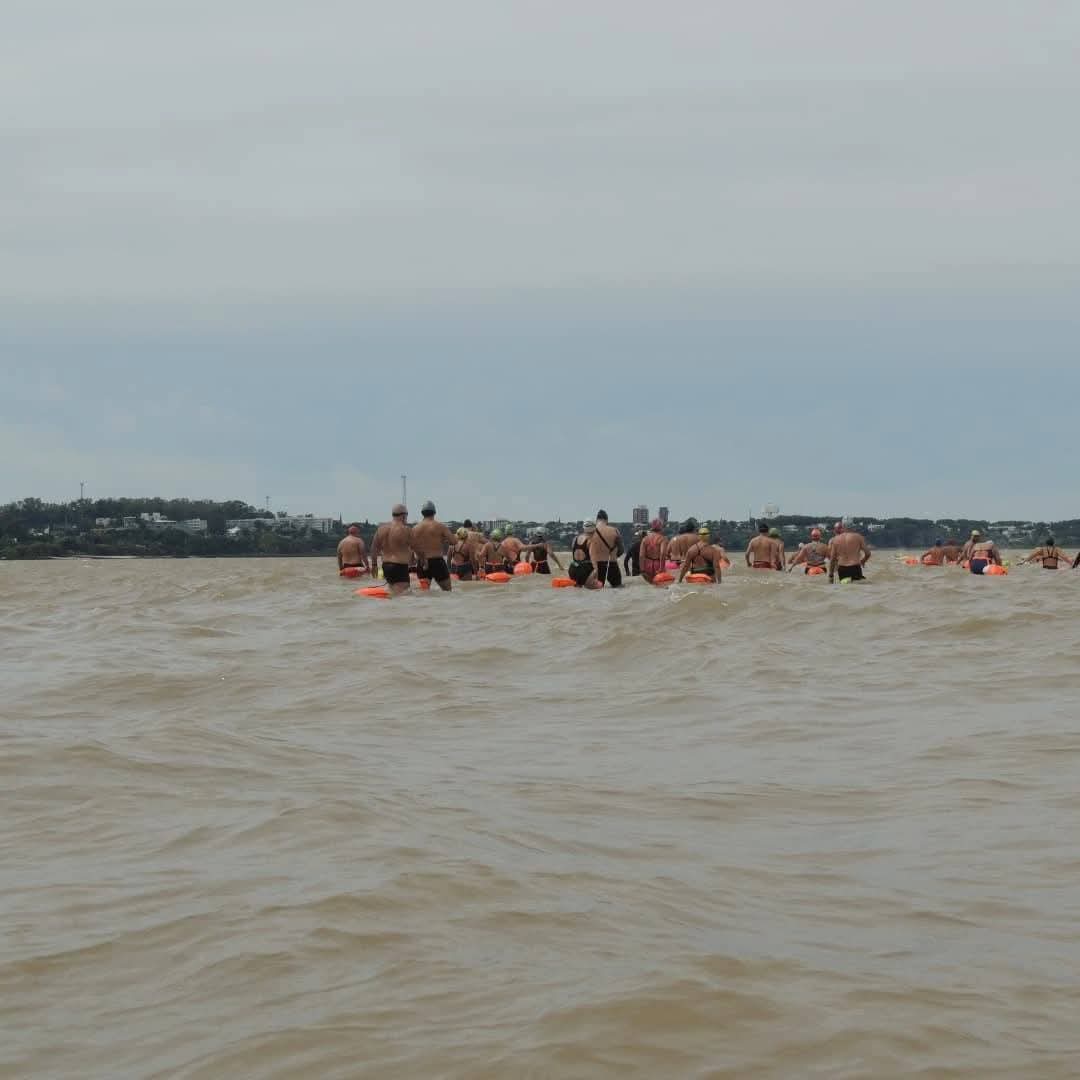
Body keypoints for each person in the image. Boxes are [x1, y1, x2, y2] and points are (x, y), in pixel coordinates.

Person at [370, 503, 414, 595]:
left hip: (386, 566)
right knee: (404, 596)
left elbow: (374, 548)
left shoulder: (381, 529)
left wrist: (374, 565)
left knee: (393, 593)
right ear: (404, 515)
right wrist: (423, 560)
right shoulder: (406, 530)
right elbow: (416, 547)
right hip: (399, 567)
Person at [411, 500, 455, 591]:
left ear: (422, 513)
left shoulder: (415, 528)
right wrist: (443, 540)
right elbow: (454, 541)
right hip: (437, 561)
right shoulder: (440, 526)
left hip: (422, 562)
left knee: (424, 593)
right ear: (434, 512)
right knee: (448, 591)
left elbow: (411, 546)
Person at [589, 510, 624, 587]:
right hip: (612, 564)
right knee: (618, 589)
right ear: (607, 519)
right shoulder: (614, 530)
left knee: (597, 591)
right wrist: (614, 556)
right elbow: (621, 550)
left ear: (596, 519)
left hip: (596, 566)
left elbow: (587, 551)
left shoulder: (591, 532)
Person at [568, 522, 598, 588]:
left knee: (578, 591)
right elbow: (593, 561)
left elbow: (574, 554)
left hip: (573, 568)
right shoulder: (591, 541)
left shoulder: (575, 539)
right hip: (585, 569)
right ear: (594, 529)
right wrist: (596, 571)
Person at [639, 519, 668, 583]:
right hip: (658, 564)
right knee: (660, 586)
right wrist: (661, 567)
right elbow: (662, 553)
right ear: (661, 527)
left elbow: (641, 555)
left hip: (647, 564)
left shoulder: (645, 539)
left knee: (650, 586)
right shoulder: (662, 539)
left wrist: (642, 569)